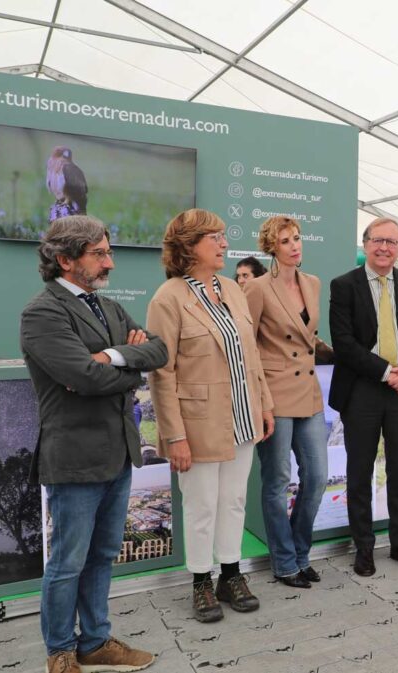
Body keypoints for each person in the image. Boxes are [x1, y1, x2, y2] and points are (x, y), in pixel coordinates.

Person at [20, 215, 167, 673]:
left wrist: (112, 357)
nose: (111, 262)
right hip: (75, 459)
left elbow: (159, 350)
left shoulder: (109, 308)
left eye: (108, 251)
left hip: (117, 454)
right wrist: (123, 366)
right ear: (65, 259)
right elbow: (81, 379)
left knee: (102, 555)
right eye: (99, 254)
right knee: (68, 561)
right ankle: (61, 653)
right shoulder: (43, 313)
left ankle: (96, 641)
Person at [147, 209, 275, 622]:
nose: (223, 244)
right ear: (188, 246)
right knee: (202, 504)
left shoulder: (234, 290)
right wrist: (174, 436)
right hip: (197, 424)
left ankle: (231, 574)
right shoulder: (168, 297)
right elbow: (161, 372)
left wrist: (265, 404)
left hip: (242, 417)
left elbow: (252, 355)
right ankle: (201, 581)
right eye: (215, 237)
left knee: (234, 500)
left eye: (223, 236)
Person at [329, 217, 398, 576]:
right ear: (366, 243)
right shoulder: (343, 285)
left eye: (392, 241)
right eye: (378, 240)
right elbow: (343, 343)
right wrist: (389, 372)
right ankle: (364, 547)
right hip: (362, 389)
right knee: (359, 472)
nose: (385, 247)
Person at [245, 215, 333, 589]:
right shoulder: (258, 289)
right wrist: (259, 399)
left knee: (316, 477)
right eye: (285, 241)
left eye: (297, 238)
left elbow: (309, 338)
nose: (295, 245)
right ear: (271, 247)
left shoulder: (312, 283)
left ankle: (300, 552)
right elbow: (247, 347)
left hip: (309, 394)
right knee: (277, 481)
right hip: (274, 396)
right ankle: (284, 562)